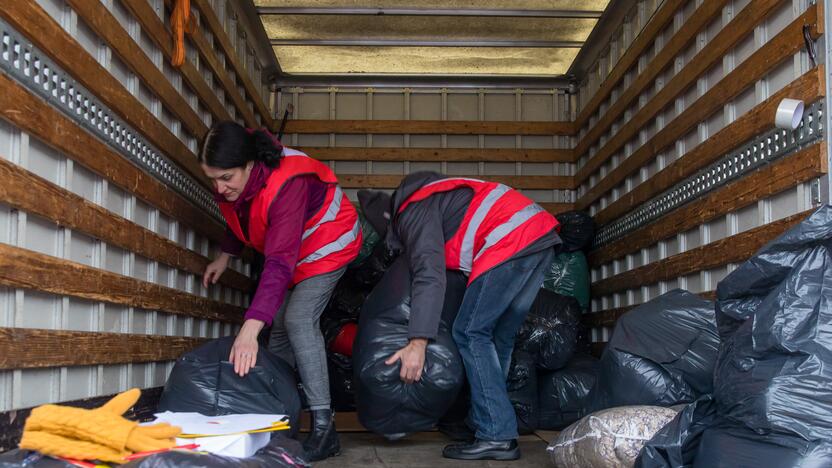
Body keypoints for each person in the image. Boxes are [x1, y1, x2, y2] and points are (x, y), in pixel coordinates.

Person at [199, 121, 361, 461]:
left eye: (226, 178)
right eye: (212, 178)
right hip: (292, 249)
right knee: (279, 330)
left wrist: (249, 328)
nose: (219, 187)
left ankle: (323, 427)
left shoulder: (288, 183)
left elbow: (277, 264)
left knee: (299, 319)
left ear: (249, 164)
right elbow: (241, 214)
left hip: (328, 243)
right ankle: (281, 418)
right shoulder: (236, 184)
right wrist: (226, 257)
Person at [370, 171, 559, 461]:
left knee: (470, 333)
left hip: (511, 240)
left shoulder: (413, 211)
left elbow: (429, 274)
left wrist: (417, 342)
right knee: (499, 337)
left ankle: (496, 434)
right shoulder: (441, 195)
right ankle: (489, 422)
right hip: (538, 237)